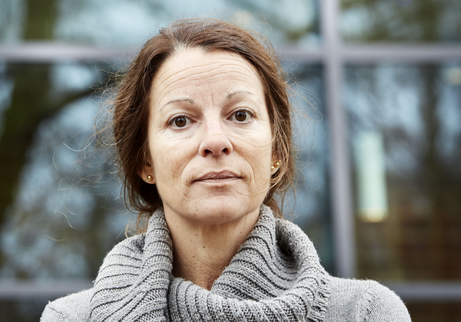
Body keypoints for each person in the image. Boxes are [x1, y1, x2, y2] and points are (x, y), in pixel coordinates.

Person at [41, 19, 411, 321]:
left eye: (240, 115)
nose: (215, 141)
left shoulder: (365, 313)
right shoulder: (70, 318)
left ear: (276, 151)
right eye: (181, 120)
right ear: (145, 161)